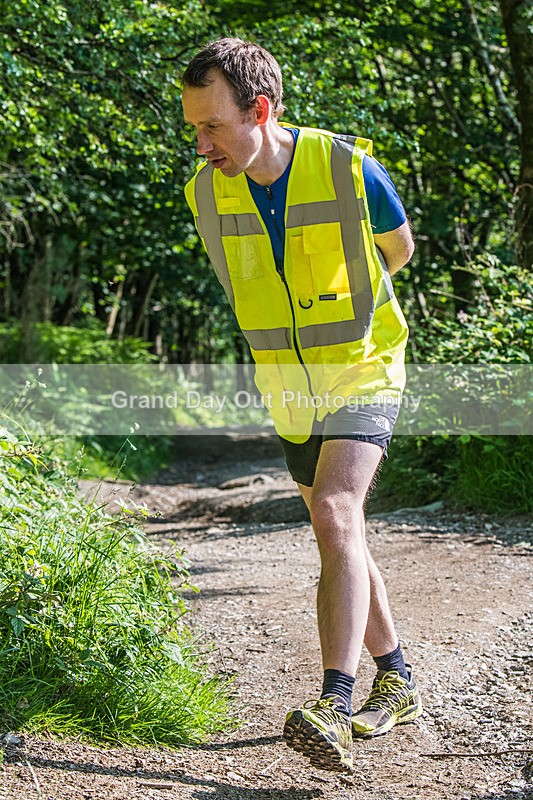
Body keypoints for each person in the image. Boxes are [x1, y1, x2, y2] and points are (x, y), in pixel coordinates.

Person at [181, 37, 422, 773]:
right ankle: (399, 678)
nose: (201, 142)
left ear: (260, 109)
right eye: (193, 126)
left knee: (334, 513)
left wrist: (339, 304)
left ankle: (333, 702)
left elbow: (398, 248)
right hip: (288, 383)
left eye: (212, 125)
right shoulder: (204, 193)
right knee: (339, 529)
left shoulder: (349, 168)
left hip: (361, 364)